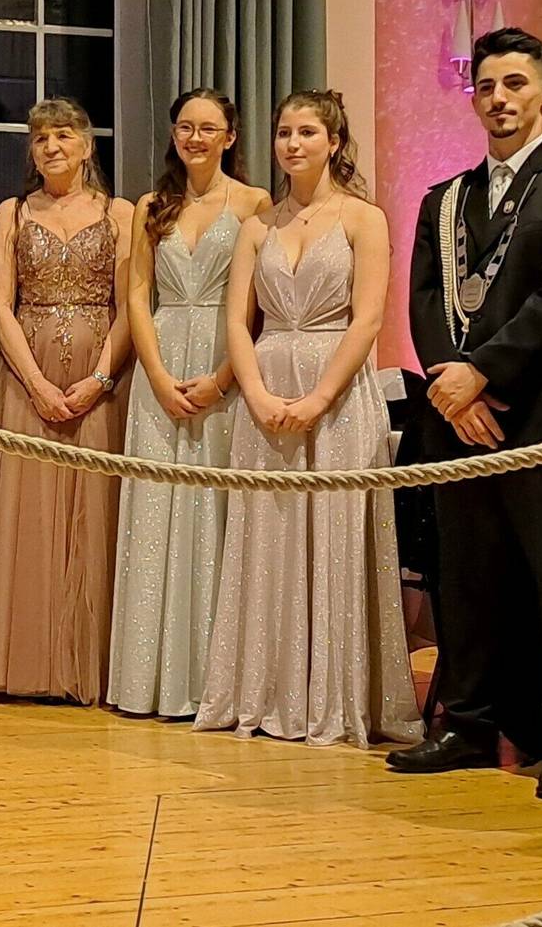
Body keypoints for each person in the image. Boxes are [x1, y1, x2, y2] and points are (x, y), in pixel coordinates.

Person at [387, 29, 542, 799]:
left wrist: (485, 374)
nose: (501, 99)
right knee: (467, 572)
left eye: (516, 84)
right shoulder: (443, 198)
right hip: (456, 417)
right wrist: (452, 386)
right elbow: (422, 299)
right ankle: (471, 720)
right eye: (488, 85)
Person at [194, 90, 421, 748]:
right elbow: (236, 318)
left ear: (334, 141)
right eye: (284, 132)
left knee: (337, 539)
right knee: (269, 539)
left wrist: (320, 396)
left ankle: (333, 694)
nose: (293, 143)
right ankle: (266, 690)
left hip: (340, 390)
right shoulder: (258, 226)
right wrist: (258, 394)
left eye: (307, 131)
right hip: (266, 387)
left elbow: (370, 318)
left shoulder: (363, 219)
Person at [0, 98, 134, 705]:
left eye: (64, 135)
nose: (52, 146)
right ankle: (25, 662)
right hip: (28, 377)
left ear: (86, 144)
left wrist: (99, 380)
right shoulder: (12, 213)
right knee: (29, 517)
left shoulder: (121, 212)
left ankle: (95, 665)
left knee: (95, 516)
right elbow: (1, 304)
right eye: (41, 137)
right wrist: (40, 386)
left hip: (102, 373)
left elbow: (132, 305)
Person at [108, 90, 269, 718]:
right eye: (184, 127)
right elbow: (137, 298)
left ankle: (215, 681)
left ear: (230, 136)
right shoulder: (151, 206)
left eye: (208, 128)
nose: (194, 138)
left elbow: (258, 307)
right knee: (155, 514)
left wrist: (224, 378)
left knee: (217, 514)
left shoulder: (256, 205)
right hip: (161, 362)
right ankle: (149, 678)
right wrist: (154, 372)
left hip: (226, 363)